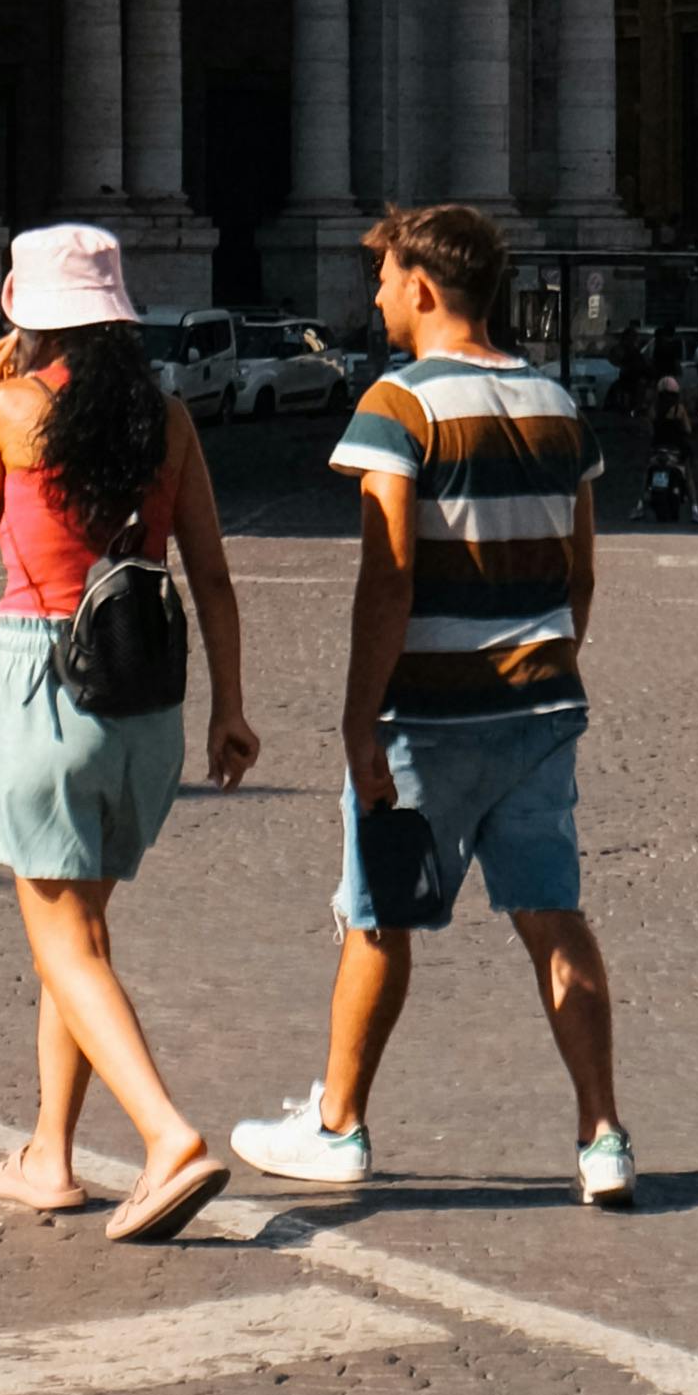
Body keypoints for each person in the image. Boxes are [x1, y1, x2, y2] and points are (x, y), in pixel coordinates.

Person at [234, 201, 637, 1210]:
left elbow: (388, 580)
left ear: (421, 287)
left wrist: (358, 720)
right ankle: (601, 1139)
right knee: (552, 916)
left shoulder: (396, 405)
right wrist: (540, 665)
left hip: (425, 722)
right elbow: (580, 575)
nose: (374, 297)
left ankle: (337, 1125)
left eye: (382, 281)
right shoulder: (555, 402)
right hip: (540, 712)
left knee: (379, 921)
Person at [0, 222, 253, 1241]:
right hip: (147, 693)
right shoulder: (168, 419)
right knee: (81, 934)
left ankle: (166, 1139)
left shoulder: (11, 409)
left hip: (45, 682)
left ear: (25, 318)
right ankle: (49, 1156)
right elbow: (210, 575)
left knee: (63, 939)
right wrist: (230, 709)